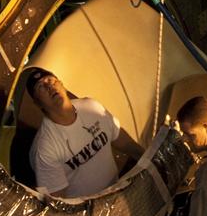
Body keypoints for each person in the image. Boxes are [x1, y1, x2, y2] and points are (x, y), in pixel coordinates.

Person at [26, 68, 143, 198]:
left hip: (118, 192)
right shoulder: (44, 147)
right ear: (38, 103)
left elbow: (124, 141)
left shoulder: (91, 108)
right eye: (41, 87)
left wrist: (148, 158)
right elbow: (57, 200)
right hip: (87, 212)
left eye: (51, 80)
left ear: (62, 84)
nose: (49, 86)